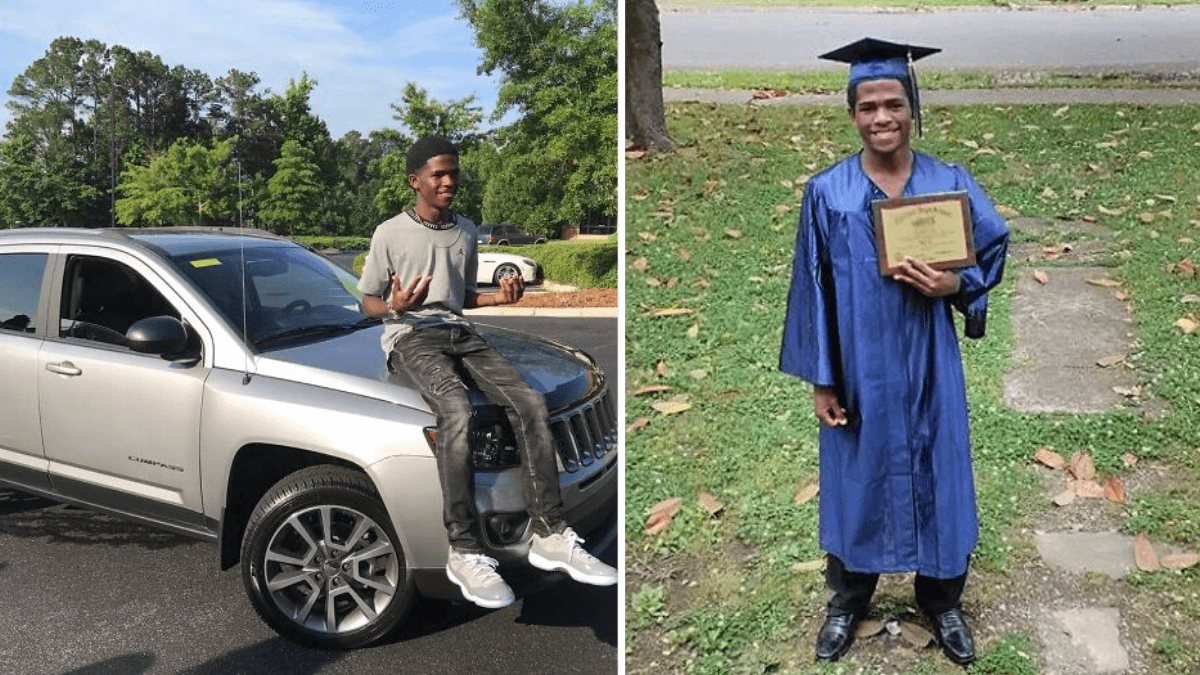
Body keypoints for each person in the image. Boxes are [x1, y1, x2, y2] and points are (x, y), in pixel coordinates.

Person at [779, 38, 1010, 666]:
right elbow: (814, 291)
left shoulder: (947, 182)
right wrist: (824, 382)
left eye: (894, 104)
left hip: (930, 361)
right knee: (858, 475)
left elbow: (991, 248)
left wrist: (955, 284)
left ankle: (942, 601)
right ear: (852, 114)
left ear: (914, 108)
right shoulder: (829, 193)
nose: (882, 118)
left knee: (941, 470)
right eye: (868, 107)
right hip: (859, 368)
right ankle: (848, 599)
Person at [357, 135, 617, 609]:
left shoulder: (465, 230)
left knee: (530, 401)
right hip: (410, 336)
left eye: (453, 172)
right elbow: (368, 301)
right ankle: (463, 547)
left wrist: (499, 298)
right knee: (456, 409)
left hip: (460, 332)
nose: (449, 181)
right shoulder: (389, 233)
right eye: (438, 174)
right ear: (415, 180)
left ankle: (549, 533)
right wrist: (393, 305)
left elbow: (461, 297)